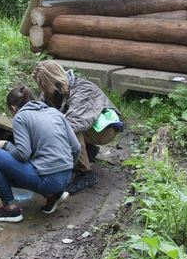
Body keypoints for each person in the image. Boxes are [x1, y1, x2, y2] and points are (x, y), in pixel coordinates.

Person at [0, 84, 79, 223]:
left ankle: (10, 209)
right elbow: (76, 146)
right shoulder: (54, 112)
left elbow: (23, 154)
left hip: (48, 181)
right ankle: (53, 196)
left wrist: (5, 144)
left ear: (13, 108)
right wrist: (65, 171)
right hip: (65, 178)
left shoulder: (20, 117)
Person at [32, 60, 123, 194]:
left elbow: (74, 123)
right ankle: (88, 151)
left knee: (69, 130)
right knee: (60, 125)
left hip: (106, 129)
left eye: (42, 84)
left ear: (51, 80)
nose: (41, 89)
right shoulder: (50, 92)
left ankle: (86, 174)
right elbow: (41, 114)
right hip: (88, 126)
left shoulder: (82, 89)